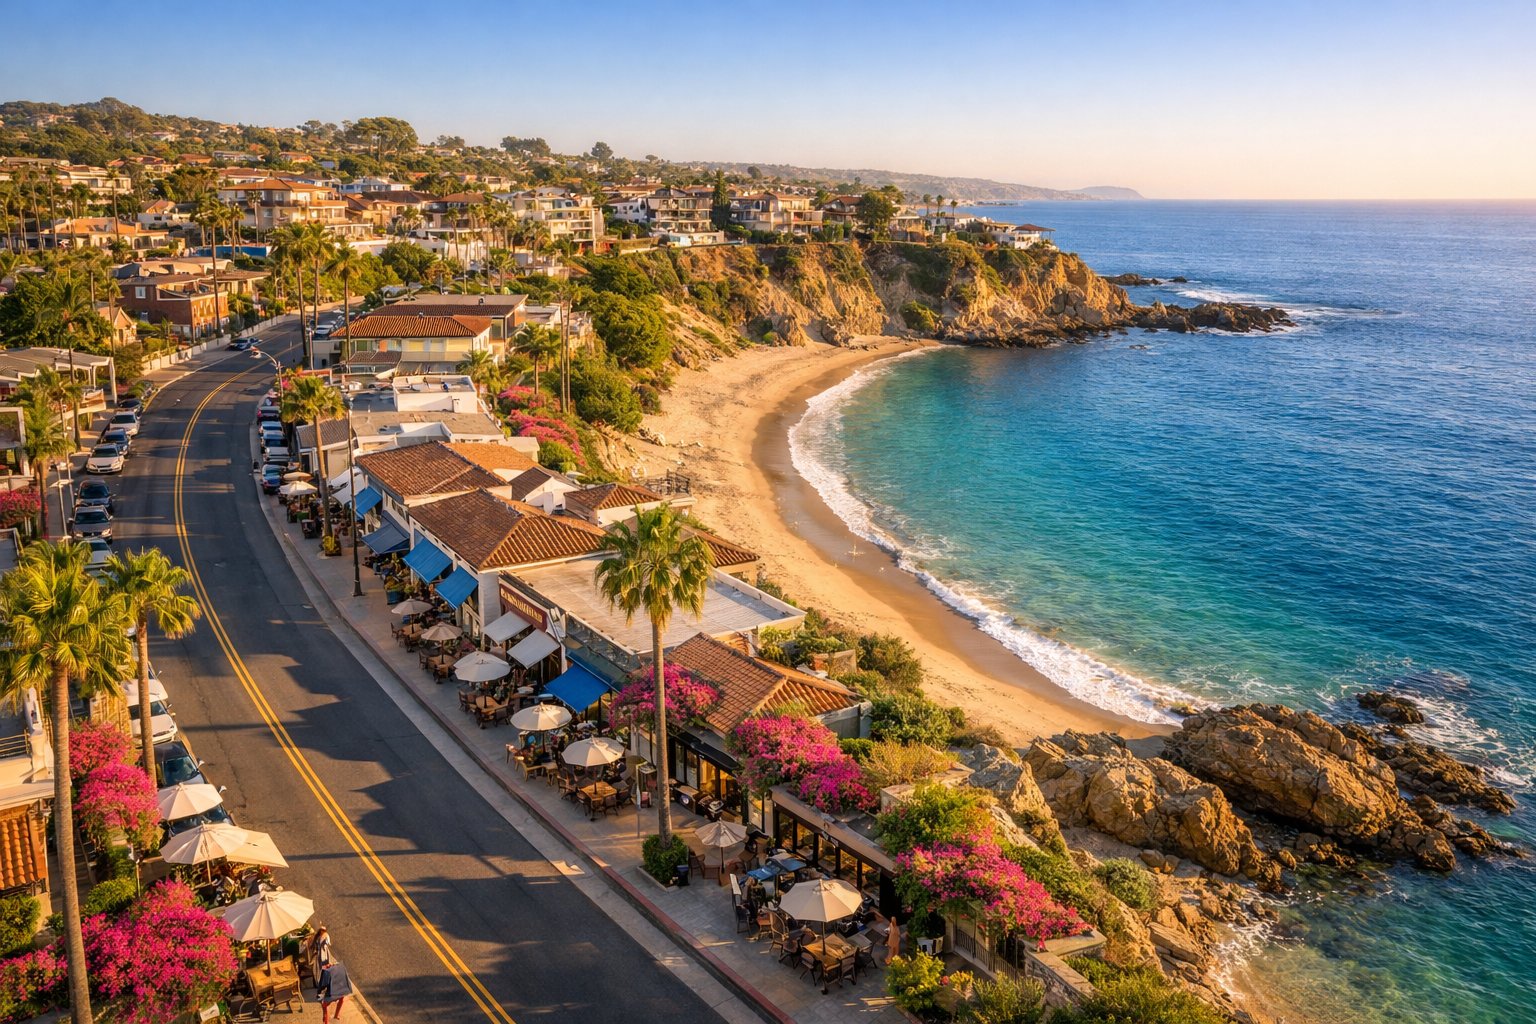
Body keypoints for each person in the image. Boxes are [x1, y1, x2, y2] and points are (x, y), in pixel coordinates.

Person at [317, 958, 352, 1022]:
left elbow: (322, 986)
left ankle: (327, 1018)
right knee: (341, 999)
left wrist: (319, 995)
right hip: (337, 992)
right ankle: (335, 1015)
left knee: (325, 1006)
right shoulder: (338, 969)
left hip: (331, 994)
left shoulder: (326, 972)